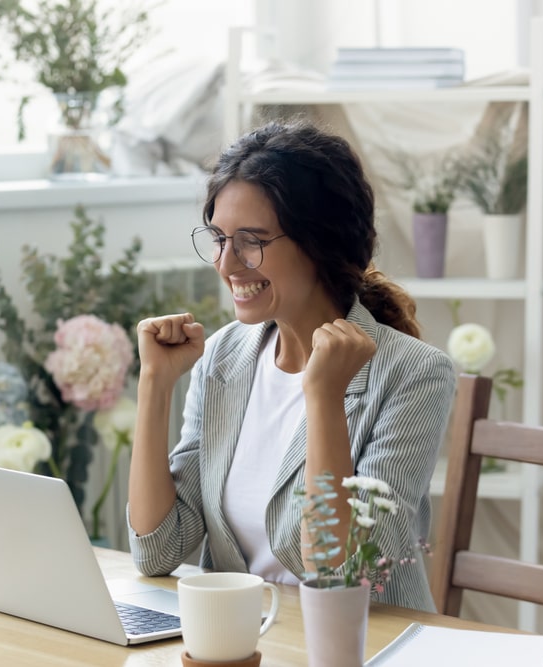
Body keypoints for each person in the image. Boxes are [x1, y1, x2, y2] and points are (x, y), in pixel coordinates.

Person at [126, 119, 456, 612]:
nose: (226, 264)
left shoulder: (413, 373)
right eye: (219, 237)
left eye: (252, 241)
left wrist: (323, 398)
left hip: (363, 647)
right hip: (243, 644)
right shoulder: (223, 356)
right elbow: (157, 550)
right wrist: (154, 384)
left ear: (320, 244)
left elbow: (343, 573)